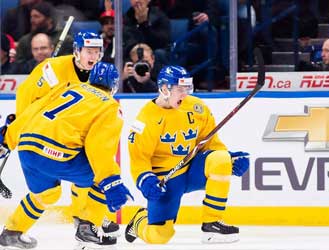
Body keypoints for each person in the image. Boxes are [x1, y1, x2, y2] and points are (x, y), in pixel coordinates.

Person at [0, 62, 133, 249]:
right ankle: (88, 226)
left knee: (47, 194)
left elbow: (34, 110)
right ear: (114, 85)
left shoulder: (68, 86)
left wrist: (7, 138)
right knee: (102, 177)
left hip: (28, 148)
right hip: (57, 154)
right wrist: (111, 182)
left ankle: (13, 231)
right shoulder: (110, 106)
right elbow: (99, 148)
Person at [124, 65, 250, 244]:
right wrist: (146, 180)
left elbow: (211, 144)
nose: (185, 94)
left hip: (191, 169)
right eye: (180, 89)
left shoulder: (197, 107)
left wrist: (231, 158)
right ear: (165, 88)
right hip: (165, 179)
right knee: (160, 236)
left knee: (221, 160)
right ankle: (139, 222)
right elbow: (139, 159)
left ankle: (212, 223)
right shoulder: (146, 119)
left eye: (187, 88)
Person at [14, 30, 121, 236]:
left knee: (85, 168)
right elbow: (26, 96)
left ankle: (83, 217)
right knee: (92, 171)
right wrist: (20, 125)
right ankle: (85, 220)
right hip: (46, 129)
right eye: (88, 51)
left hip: (71, 131)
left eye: (97, 52)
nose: (93, 57)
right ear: (76, 51)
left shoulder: (98, 73)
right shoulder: (52, 69)